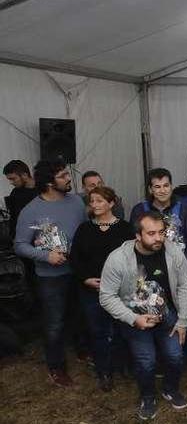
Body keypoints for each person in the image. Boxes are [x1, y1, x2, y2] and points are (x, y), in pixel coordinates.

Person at [99, 211, 187, 420]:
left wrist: (183, 320)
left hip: (167, 315)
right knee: (146, 361)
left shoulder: (173, 251)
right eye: (151, 233)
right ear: (138, 236)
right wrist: (134, 319)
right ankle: (147, 397)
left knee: (176, 356)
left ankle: (170, 389)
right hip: (135, 319)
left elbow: (185, 285)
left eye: (161, 232)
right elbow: (106, 297)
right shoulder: (118, 259)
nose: (158, 238)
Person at [14, 160, 86, 386]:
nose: (68, 179)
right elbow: (19, 245)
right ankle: (56, 367)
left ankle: (83, 350)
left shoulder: (76, 201)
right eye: (63, 175)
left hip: (79, 271)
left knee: (80, 314)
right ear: (48, 182)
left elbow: (85, 231)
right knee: (54, 322)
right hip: (50, 277)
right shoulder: (31, 210)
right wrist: (46, 256)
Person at [129, 167, 187, 373]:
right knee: (155, 312)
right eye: (157, 186)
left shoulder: (184, 207)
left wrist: (180, 262)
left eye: (166, 185)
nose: (162, 190)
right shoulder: (140, 209)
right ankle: (163, 360)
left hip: (181, 269)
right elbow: (134, 239)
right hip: (150, 272)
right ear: (150, 189)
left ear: (172, 186)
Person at [69, 186, 134, 391]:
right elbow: (75, 259)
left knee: (121, 329)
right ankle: (104, 371)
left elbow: (133, 258)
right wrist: (85, 279)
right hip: (91, 290)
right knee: (98, 331)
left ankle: (122, 365)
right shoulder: (84, 229)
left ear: (111, 203)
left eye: (99, 201)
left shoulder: (125, 228)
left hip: (119, 291)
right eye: (92, 201)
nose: (95, 205)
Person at [3, 160, 38, 238]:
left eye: (13, 179)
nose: (11, 182)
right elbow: (13, 218)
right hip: (24, 239)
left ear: (25, 175)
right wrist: (13, 237)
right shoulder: (15, 193)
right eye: (9, 179)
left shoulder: (43, 190)